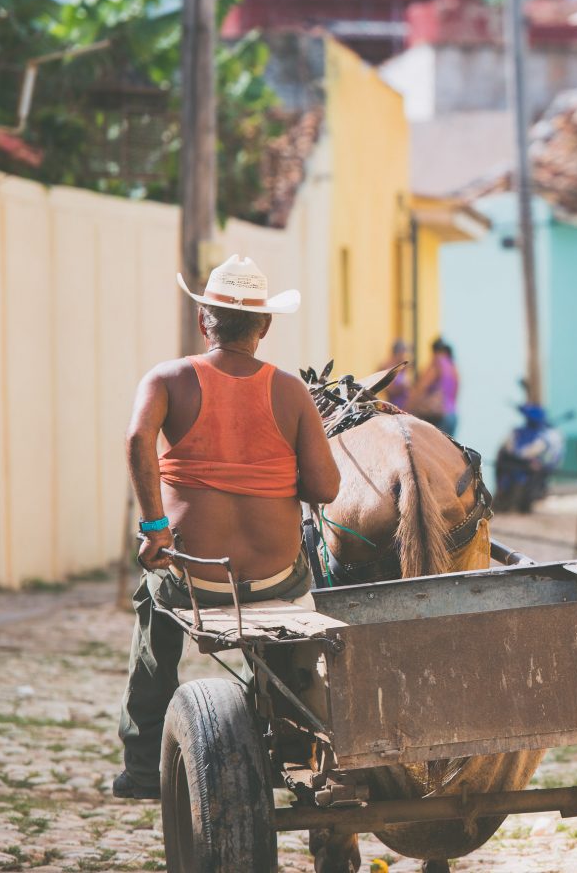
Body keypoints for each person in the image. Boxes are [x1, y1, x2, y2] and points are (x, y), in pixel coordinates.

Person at [112, 255, 342, 800]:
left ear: (203, 321)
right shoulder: (289, 391)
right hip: (273, 579)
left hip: (193, 576)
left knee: (153, 617)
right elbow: (327, 489)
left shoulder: (167, 379)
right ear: (264, 327)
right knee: (300, 602)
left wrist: (156, 528)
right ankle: (294, 742)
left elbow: (136, 438)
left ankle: (144, 768)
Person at [412, 336, 461, 434]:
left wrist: (407, 407)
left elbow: (421, 387)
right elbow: (455, 393)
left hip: (439, 417)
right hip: (453, 415)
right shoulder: (453, 367)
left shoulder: (437, 364)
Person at [378, 338, 412, 408]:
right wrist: (403, 387)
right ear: (399, 353)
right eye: (404, 353)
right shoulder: (388, 367)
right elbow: (389, 390)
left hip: (404, 405)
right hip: (394, 405)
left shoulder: (402, 367)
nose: (405, 356)